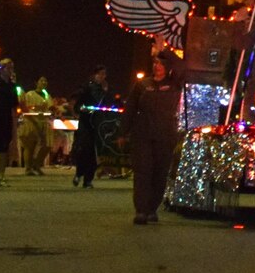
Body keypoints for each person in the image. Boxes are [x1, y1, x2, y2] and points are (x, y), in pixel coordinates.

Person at [122, 52, 183, 224]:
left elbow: (182, 68)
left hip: (165, 135)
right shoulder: (142, 84)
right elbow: (130, 108)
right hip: (143, 134)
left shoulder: (174, 84)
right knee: (143, 171)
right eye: (155, 63)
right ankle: (140, 210)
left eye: (161, 63)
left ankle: (152, 209)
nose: (157, 66)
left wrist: (165, 51)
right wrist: (123, 131)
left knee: (160, 172)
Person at [72, 66, 112, 188]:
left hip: (98, 123)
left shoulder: (104, 89)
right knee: (84, 149)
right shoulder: (87, 87)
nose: (102, 76)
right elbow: (77, 101)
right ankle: (79, 174)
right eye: (100, 74)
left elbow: (108, 105)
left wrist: (105, 92)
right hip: (86, 122)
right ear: (94, 75)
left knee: (94, 152)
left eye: (104, 74)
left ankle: (88, 180)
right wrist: (80, 109)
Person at [17, 75, 54, 174]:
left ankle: (37, 164)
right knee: (30, 146)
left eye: (45, 81)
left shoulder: (46, 95)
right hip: (31, 121)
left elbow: (51, 107)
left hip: (44, 121)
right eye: (41, 80)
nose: (44, 83)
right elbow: (25, 107)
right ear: (36, 82)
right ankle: (28, 168)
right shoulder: (30, 94)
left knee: (47, 144)